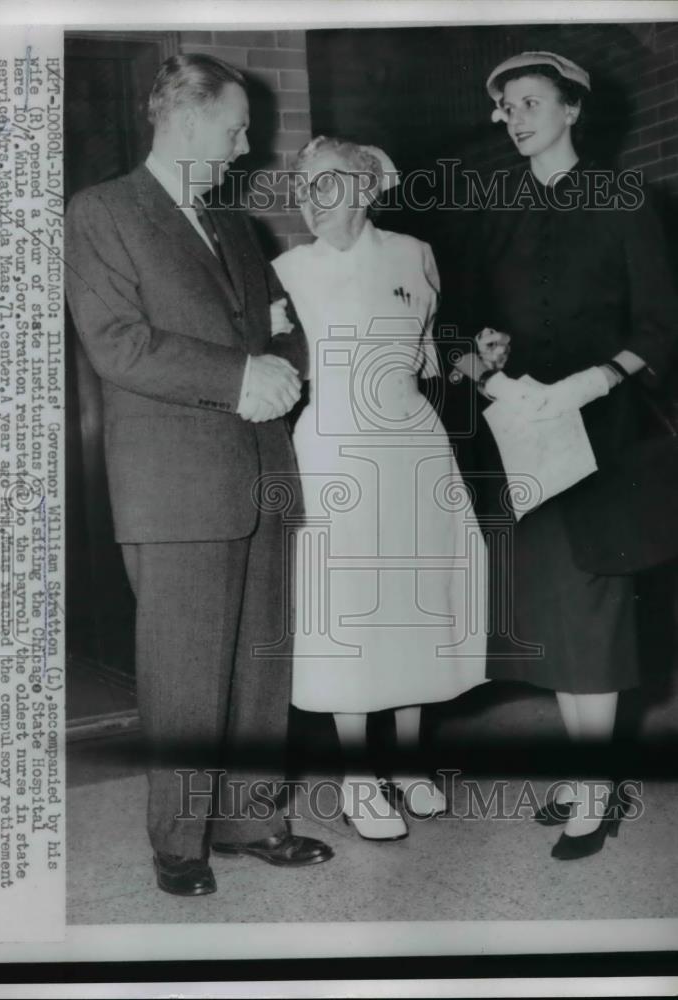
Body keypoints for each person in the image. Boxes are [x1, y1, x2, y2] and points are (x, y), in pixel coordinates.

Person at [64, 53, 333, 897]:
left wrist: (281, 366)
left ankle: (250, 817)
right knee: (184, 671)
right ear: (183, 118)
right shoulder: (101, 212)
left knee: (259, 662)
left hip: (260, 471)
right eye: (235, 124)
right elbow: (118, 344)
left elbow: (282, 332)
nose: (245, 142)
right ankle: (179, 842)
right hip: (174, 483)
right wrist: (238, 378)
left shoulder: (235, 226)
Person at [454, 51, 678, 859]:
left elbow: (660, 325)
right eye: (506, 104)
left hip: (606, 436)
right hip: (527, 438)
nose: (515, 117)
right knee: (551, 616)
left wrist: (592, 379)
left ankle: (594, 788)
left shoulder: (625, 198)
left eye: (531, 101)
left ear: (571, 109)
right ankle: (591, 770)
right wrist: (483, 348)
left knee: (595, 617)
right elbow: (477, 318)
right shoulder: (498, 208)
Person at [273, 137, 488, 841]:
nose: (309, 196)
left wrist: (474, 364)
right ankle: (359, 780)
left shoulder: (412, 254)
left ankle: (407, 764)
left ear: (365, 189)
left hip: (412, 445)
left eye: (325, 183)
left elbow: (428, 358)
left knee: (412, 602)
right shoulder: (287, 271)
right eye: (302, 185)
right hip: (335, 448)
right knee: (352, 613)